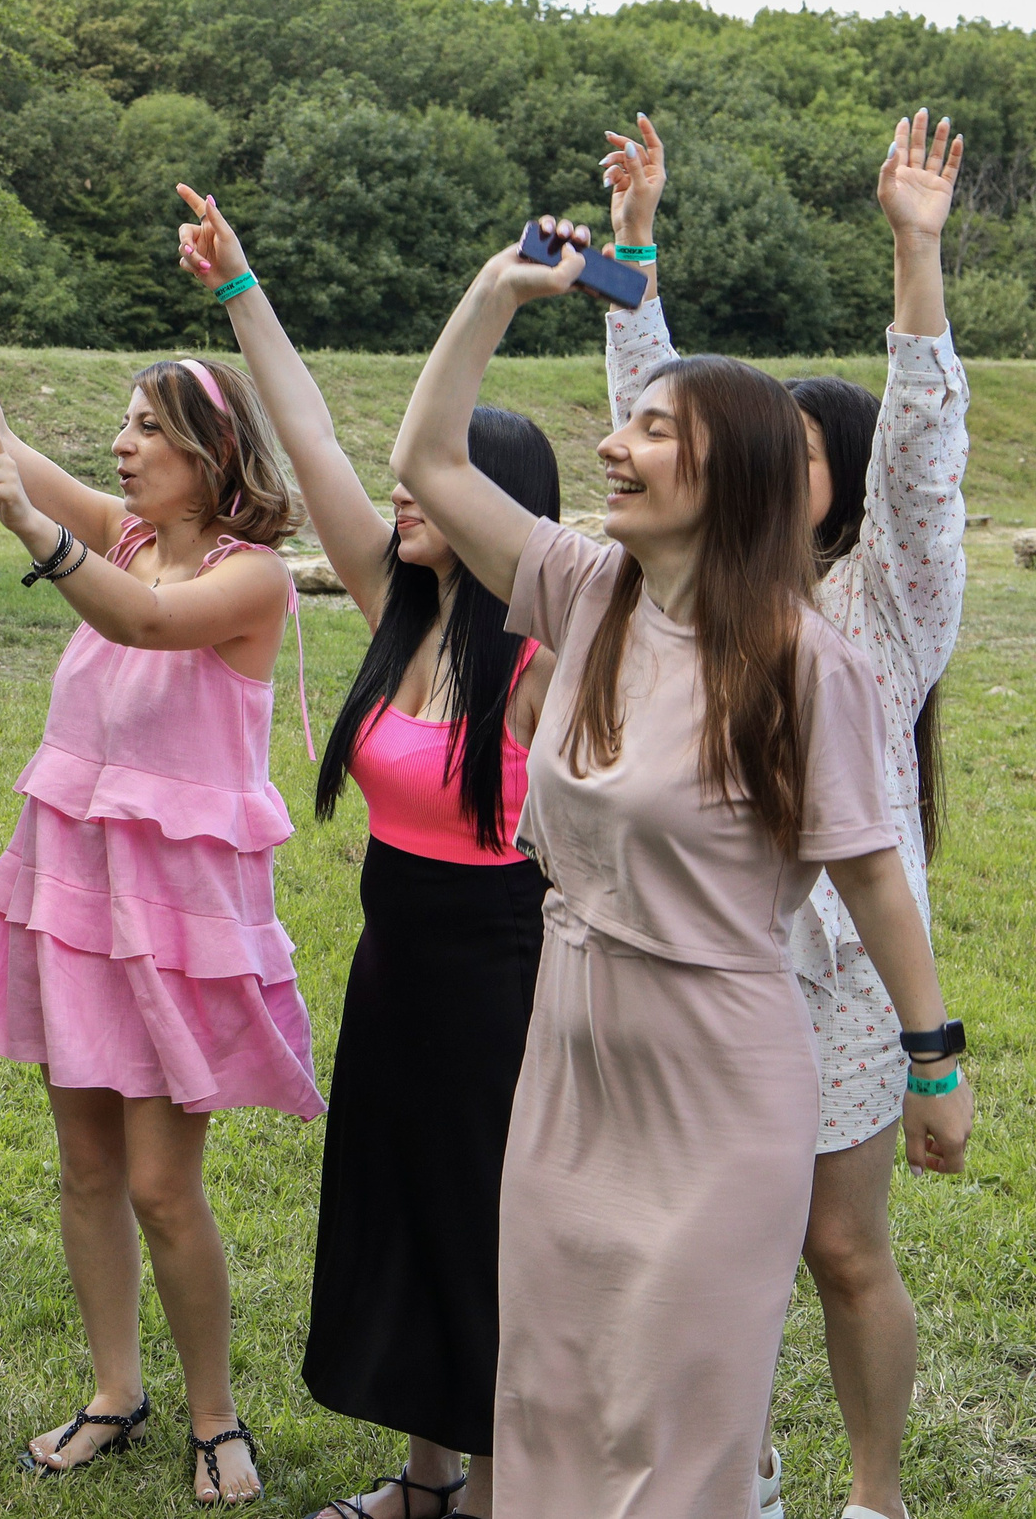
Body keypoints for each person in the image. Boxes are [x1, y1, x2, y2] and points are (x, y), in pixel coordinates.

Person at [388, 215, 975, 1519]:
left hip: (716, 1071)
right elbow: (424, 457)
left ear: (743, 476)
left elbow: (875, 875)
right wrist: (495, 288)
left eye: (656, 431)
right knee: (550, 1382)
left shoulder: (807, 661)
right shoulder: (586, 588)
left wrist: (933, 1056)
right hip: (571, 1049)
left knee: (680, 1414)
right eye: (628, 422)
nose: (612, 443)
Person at [134, 189, 560, 1519]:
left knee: (483, 1225)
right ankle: (424, 1474)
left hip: (505, 979)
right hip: (394, 962)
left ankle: (495, 1481)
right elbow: (307, 427)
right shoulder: (392, 607)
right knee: (392, 1204)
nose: (401, 497)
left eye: (436, 485)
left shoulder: (552, 654)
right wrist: (240, 283)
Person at [599, 110, 971, 1519]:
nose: (776, 467)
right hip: (707, 961)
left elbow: (926, 459)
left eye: (811, 455)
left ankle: (873, 1497)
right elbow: (656, 399)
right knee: (716, 1250)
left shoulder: (886, 606)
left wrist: (913, 251)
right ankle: (734, 1479)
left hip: (852, 982)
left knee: (841, 1247)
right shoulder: (689, 592)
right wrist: (634, 247)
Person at [0, 213, 319, 1506]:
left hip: (181, 915)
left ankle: (216, 1412)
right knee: (87, 1165)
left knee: (165, 1183)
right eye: (122, 427)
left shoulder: (250, 577)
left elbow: (148, 621)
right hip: (77, 894)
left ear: (210, 454)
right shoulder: (120, 529)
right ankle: (116, 1388)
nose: (122, 445)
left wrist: (40, 536)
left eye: (149, 428)